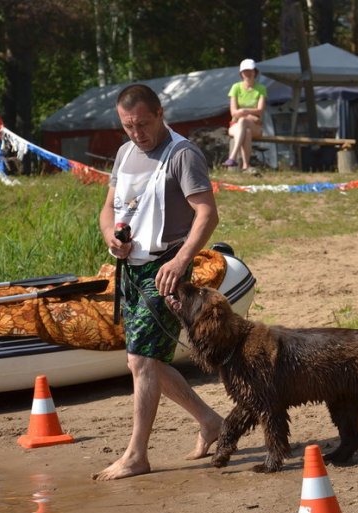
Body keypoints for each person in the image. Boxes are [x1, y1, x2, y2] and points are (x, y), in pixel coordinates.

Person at [93, 83, 223, 481]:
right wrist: (109, 237)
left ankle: (136, 455)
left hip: (169, 268)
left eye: (143, 125)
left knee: (144, 361)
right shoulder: (124, 153)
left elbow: (207, 214)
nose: (137, 134)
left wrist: (182, 260)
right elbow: (108, 207)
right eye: (128, 126)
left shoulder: (183, 154)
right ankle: (209, 420)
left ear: (160, 113)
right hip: (131, 267)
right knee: (140, 359)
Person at [222, 58, 267, 174]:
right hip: (236, 125)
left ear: (255, 72)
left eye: (250, 71)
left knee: (242, 121)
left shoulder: (261, 89)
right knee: (245, 129)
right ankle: (246, 166)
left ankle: (232, 157)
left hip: (255, 126)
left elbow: (260, 111)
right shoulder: (236, 87)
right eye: (245, 71)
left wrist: (244, 111)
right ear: (241, 73)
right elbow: (233, 112)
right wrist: (250, 115)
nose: (248, 74)